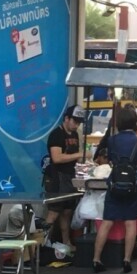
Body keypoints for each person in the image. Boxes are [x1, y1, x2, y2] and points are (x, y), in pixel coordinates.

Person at [92, 105, 137, 274]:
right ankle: (127, 260)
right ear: (134, 122)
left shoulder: (112, 140)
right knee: (130, 223)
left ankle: (96, 259)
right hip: (132, 184)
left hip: (114, 183)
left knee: (107, 221)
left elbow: (107, 158)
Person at [42, 106, 85, 250]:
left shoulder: (75, 135)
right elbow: (57, 158)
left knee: (67, 212)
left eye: (79, 122)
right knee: (54, 212)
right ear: (66, 119)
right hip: (56, 177)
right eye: (75, 121)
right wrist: (79, 155)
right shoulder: (56, 135)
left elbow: (74, 158)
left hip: (70, 177)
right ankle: (43, 244)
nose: (77, 125)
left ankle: (66, 242)